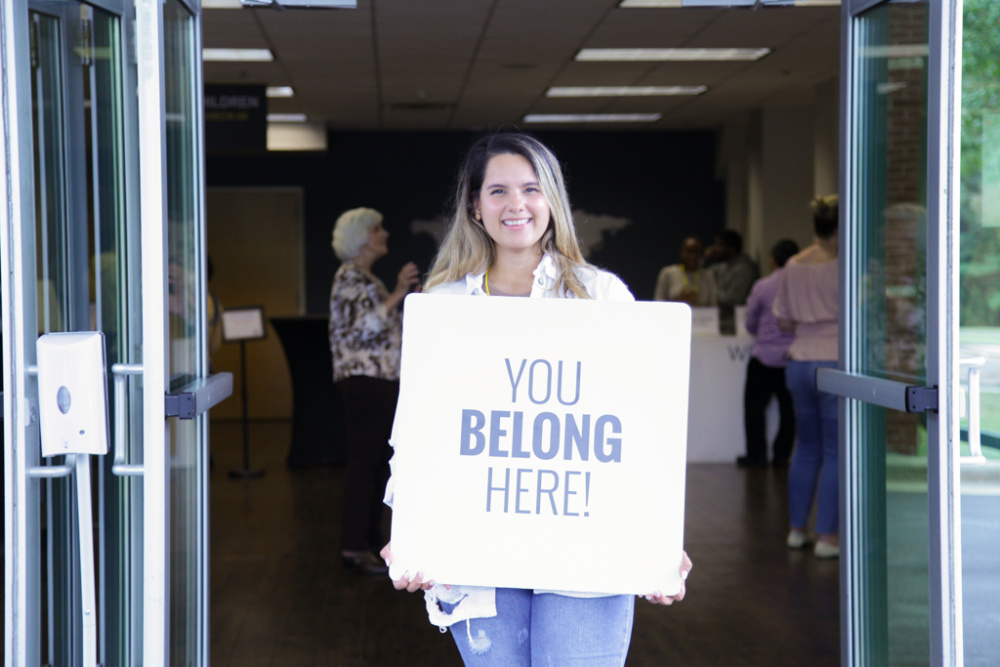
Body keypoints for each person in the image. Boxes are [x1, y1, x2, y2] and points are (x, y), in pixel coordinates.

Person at [379, 132, 693, 665]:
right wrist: (409, 526)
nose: (516, 204)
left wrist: (657, 538)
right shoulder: (444, 307)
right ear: (475, 208)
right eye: (497, 191)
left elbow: (640, 428)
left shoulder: (602, 297)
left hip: (586, 546)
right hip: (473, 546)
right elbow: (419, 431)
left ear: (552, 200)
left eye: (531, 188)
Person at [328, 207, 421, 574]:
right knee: (365, 465)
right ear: (363, 236)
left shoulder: (362, 278)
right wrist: (398, 292)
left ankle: (366, 543)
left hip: (378, 381)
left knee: (373, 463)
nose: (385, 234)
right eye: (378, 228)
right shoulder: (351, 277)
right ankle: (354, 548)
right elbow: (362, 329)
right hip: (366, 382)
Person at [773, 195, 840, 559]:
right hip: (834, 363)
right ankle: (828, 537)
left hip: (798, 362)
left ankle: (797, 530)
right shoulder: (845, 265)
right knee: (834, 451)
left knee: (806, 447)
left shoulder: (793, 265)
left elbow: (782, 320)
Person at [738, 239, 799, 469]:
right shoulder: (800, 286)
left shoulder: (762, 286)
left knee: (754, 408)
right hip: (792, 357)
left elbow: (750, 321)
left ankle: (757, 456)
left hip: (764, 357)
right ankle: (782, 455)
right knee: (789, 410)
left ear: (772, 260)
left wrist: (761, 334)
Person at [653, 237, 717, 306]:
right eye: (689, 251)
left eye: (696, 251)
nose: (693, 256)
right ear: (681, 253)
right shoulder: (667, 273)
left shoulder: (708, 275)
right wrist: (680, 300)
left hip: (702, 316)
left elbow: (714, 306)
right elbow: (658, 304)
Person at [705, 229, 758, 307]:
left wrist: (711, 291)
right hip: (721, 315)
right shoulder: (724, 264)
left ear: (731, 249)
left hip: (734, 317)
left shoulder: (743, 268)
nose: (715, 249)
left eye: (719, 245)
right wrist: (706, 259)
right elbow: (705, 274)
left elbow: (733, 299)